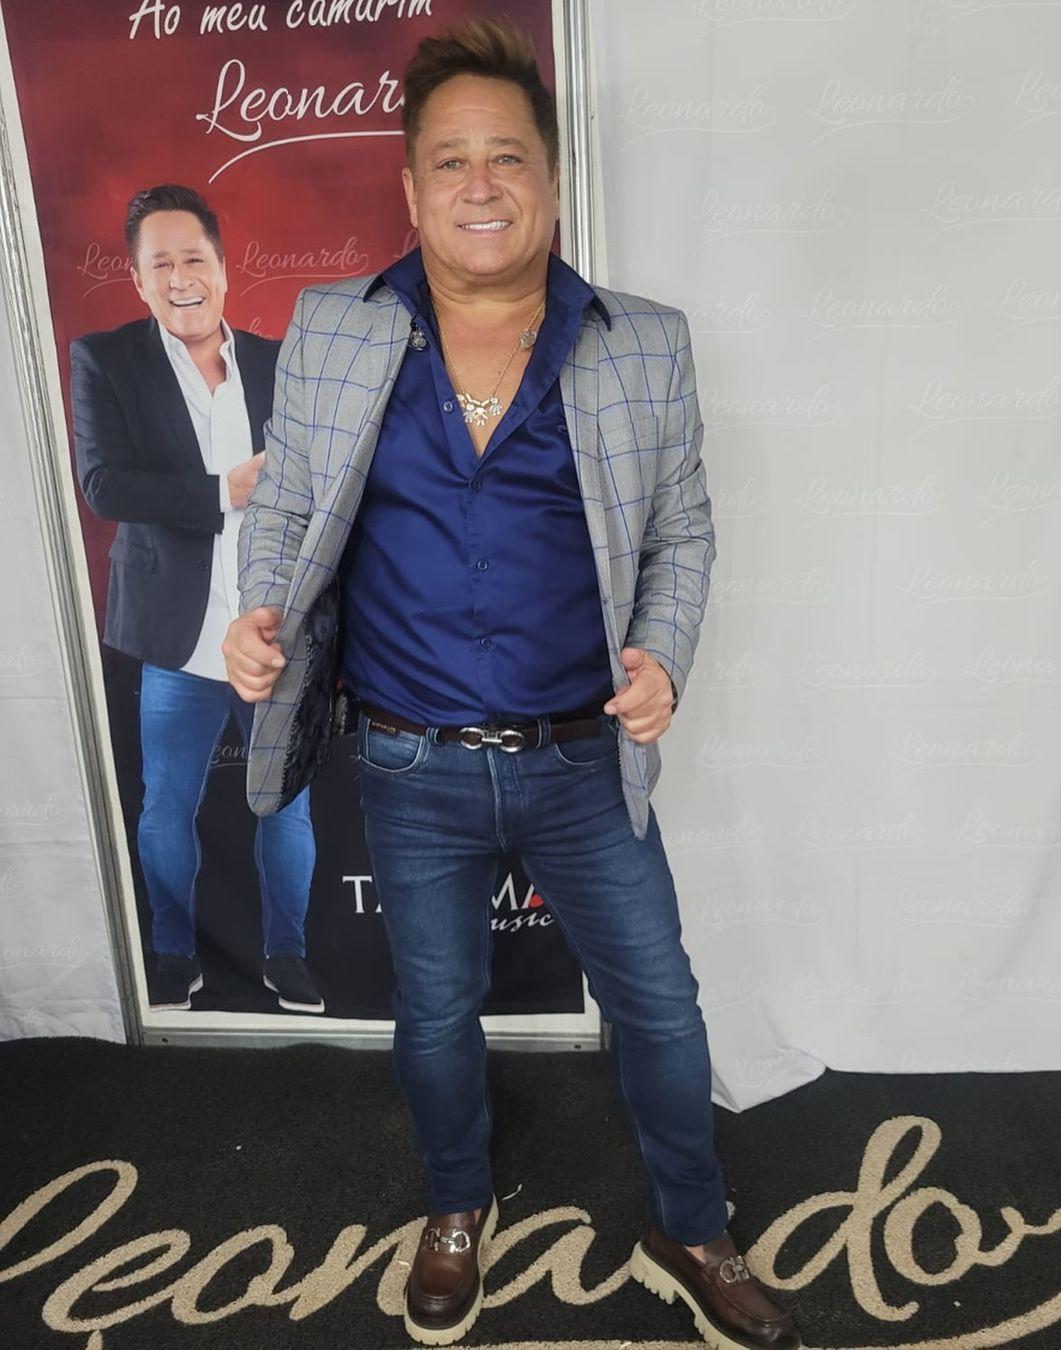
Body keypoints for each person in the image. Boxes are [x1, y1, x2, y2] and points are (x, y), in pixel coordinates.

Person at [223, 19, 800, 1350]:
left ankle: (691, 1222)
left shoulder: (643, 343)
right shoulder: (335, 329)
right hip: (408, 760)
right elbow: (288, 503)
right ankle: (455, 1204)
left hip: (586, 761)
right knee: (434, 1011)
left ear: (547, 175)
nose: (479, 185)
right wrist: (257, 613)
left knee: (662, 1004)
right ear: (411, 187)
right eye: (450, 160)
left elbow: (684, 532)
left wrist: (664, 655)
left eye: (507, 157)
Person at [70, 185, 323, 1016]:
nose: (181, 277)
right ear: (138, 280)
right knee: (166, 807)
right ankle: (174, 952)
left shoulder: (279, 362)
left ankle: (288, 956)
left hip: (276, 633)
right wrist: (226, 488)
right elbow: (104, 484)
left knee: (287, 806)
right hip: (177, 636)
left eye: (194, 259)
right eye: (161, 264)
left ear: (222, 267)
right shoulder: (106, 360)